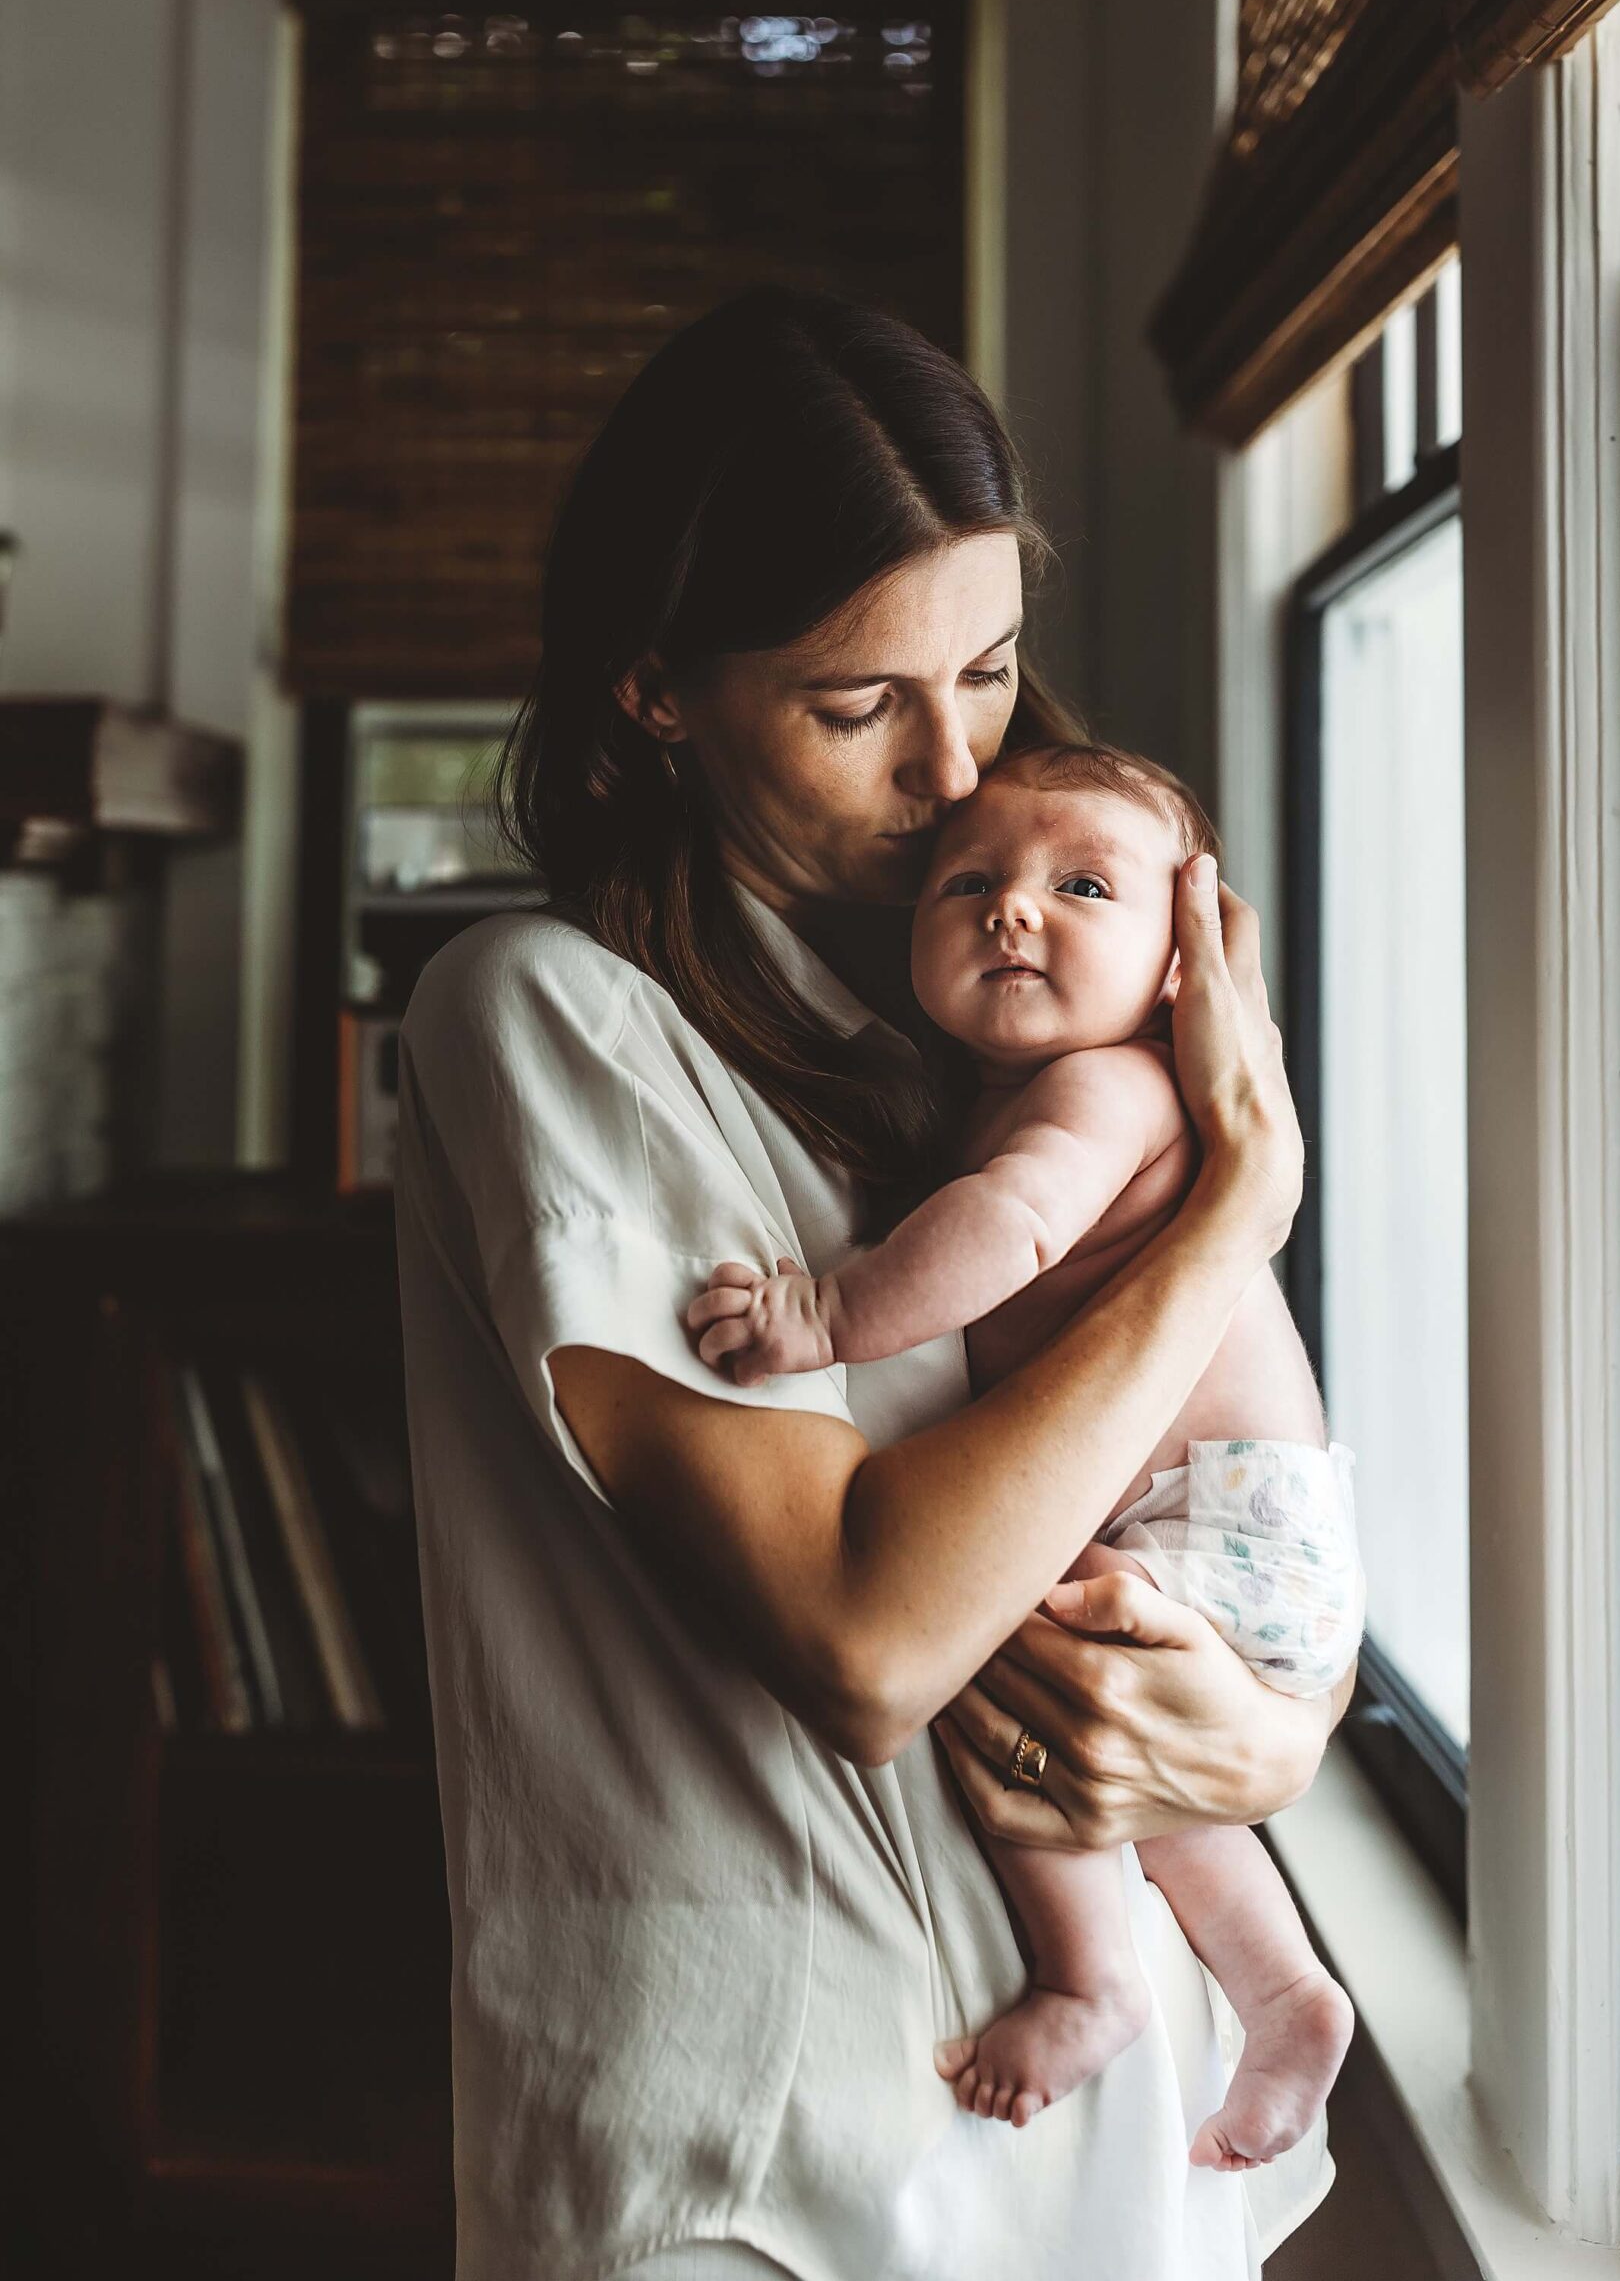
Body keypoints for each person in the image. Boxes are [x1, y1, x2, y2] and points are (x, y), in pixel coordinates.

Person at [392, 284, 1353, 2281]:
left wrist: (1268, 1728)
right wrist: (1232, 1205)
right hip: (776, 2159)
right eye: (857, 702)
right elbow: (871, 1633)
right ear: (659, 689)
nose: (948, 768)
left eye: (988, 670)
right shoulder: (552, 1023)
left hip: (1105, 2143)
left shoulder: (1005, 1010)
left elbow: (1209, 1475)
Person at [688, 739, 1360, 2163]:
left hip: (1208, 1528)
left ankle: (1091, 1977)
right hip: (1244, 1533)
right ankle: (1287, 1991)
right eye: (971, 883)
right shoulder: (1038, 1090)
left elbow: (1016, 1227)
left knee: (1014, 1686)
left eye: (1083, 887)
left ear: (1185, 961)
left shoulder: (1108, 1090)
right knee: (1129, 1762)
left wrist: (827, 1309)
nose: (1013, 911)